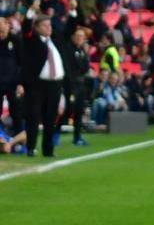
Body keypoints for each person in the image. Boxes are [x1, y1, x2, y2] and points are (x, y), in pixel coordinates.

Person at [21, 16, 65, 157]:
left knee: (50, 119)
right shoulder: (32, 41)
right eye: (45, 25)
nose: (49, 28)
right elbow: (25, 29)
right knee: (33, 117)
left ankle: (48, 150)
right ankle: (31, 148)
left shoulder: (55, 42)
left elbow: (69, 29)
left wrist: (72, 13)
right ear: (37, 28)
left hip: (55, 85)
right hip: (38, 85)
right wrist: (30, 14)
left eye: (49, 25)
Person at [65, 27, 93, 146]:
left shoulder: (82, 51)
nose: (80, 39)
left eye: (82, 37)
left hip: (81, 85)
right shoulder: (69, 50)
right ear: (73, 37)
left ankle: (77, 137)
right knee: (68, 110)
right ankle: (54, 133)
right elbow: (74, 66)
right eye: (78, 36)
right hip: (71, 85)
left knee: (79, 111)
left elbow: (86, 67)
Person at [0, 16, 23, 133]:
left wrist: (20, 83)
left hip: (13, 82)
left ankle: (18, 136)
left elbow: (22, 62)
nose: (1, 34)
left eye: (2, 31)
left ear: (8, 26)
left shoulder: (16, 40)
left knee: (16, 111)